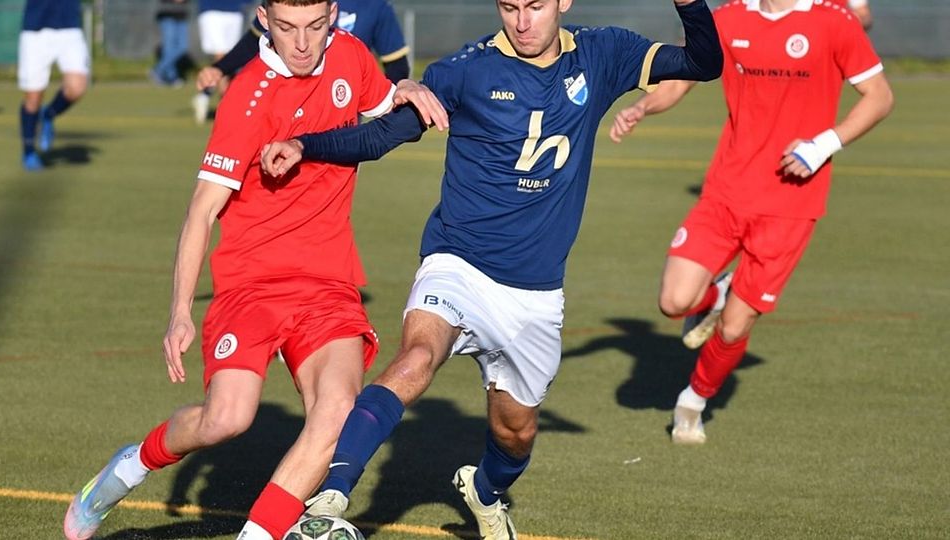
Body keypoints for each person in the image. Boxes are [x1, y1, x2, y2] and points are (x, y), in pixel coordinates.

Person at [260, 0, 722, 537]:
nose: (522, 22)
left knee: (516, 433)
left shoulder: (604, 54)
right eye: (509, 7)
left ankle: (483, 491)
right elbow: (384, 135)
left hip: (535, 291)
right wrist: (305, 145)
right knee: (415, 358)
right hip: (458, 261)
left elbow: (704, 62)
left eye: (535, 7)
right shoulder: (464, 71)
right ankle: (329, 502)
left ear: (562, 3)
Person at [61, 1, 442, 540]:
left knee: (336, 411)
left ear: (334, 12)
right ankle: (129, 467)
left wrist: (409, 90)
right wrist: (178, 313)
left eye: (316, 26)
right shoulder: (247, 99)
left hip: (327, 284)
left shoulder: (352, 56)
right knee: (226, 420)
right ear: (263, 19)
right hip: (251, 284)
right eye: (287, 28)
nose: (303, 44)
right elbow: (201, 210)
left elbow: (384, 107)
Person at [608, 0, 894, 445]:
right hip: (726, 190)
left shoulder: (834, 21)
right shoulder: (728, 19)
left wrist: (821, 146)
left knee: (737, 326)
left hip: (792, 204)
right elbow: (681, 79)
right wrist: (642, 108)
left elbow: (880, 97)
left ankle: (693, 402)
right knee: (673, 300)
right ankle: (718, 290)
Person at [196, 0, 411, 99]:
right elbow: (254, 40)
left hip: (341, 116)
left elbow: (396, 63)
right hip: (281, 104)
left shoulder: (374, 6)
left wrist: (391, 104)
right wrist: (220, 68)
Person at [17, 0, 89, 171]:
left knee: (77, 87)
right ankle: (29, 152)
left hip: (69, 26)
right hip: (36, 28)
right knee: (33, 98)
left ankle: (48, 115)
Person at [191, 0, 247, 124]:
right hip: (211, 9)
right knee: (220, 55)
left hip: (235, 9)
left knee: (231, 58)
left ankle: (205, 96)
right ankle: (226, 103)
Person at [150, 0, 190, 87]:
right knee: (169, 48)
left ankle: (158, 70)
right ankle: (172, 77)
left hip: (181, 15)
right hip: (167, 15)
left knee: (182, 47)